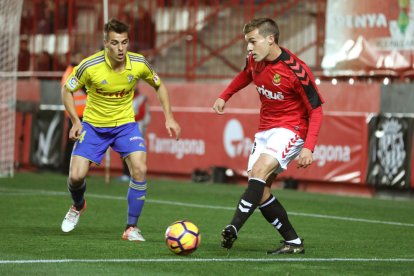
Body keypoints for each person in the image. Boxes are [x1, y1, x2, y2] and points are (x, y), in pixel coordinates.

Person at [60, 18, 181, 242]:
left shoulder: (138, 63)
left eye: (124, 42)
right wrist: (76, 121)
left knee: (140, 169)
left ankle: (131, 228)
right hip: (94, 127)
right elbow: (67, 91)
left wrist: (170, 117)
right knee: (76, 177)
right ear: (106, 42)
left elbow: (159, 85)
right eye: (115, 43)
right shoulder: (89, 65)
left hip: (125, 126)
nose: (120, 49)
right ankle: (78, 205)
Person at [212, 18, 324, 254]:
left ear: (270, 39)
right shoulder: (254, 59)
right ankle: (293, 242)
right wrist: (225, 95)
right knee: (260, 190)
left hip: (292, 129)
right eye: (247, 43)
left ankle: (233, 227)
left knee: (259, 171)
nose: (249, 48)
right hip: (265, 129)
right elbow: (246, 75)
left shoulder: (297, 70)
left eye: (252, 41)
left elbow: (316, 109)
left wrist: (309, 147)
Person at [61, 52, 87, 174]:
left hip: (77, 112)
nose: (82, 59)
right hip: (76, 113)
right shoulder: (72, 72)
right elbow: (84, 89)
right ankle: (68, 168)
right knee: (74, 142)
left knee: (76, 142)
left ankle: (71, 168)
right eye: (80, 57)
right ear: (73, 58)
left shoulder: (70, 71)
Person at [120, 88, 151, 181]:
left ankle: (135, 174)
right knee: (125, 151)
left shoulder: (141, 99)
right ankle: (126, 173)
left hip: (137, 129)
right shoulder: (122, 98)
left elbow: (142, 114)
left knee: (136, 153)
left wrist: (127, 118)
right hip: (124, 128)